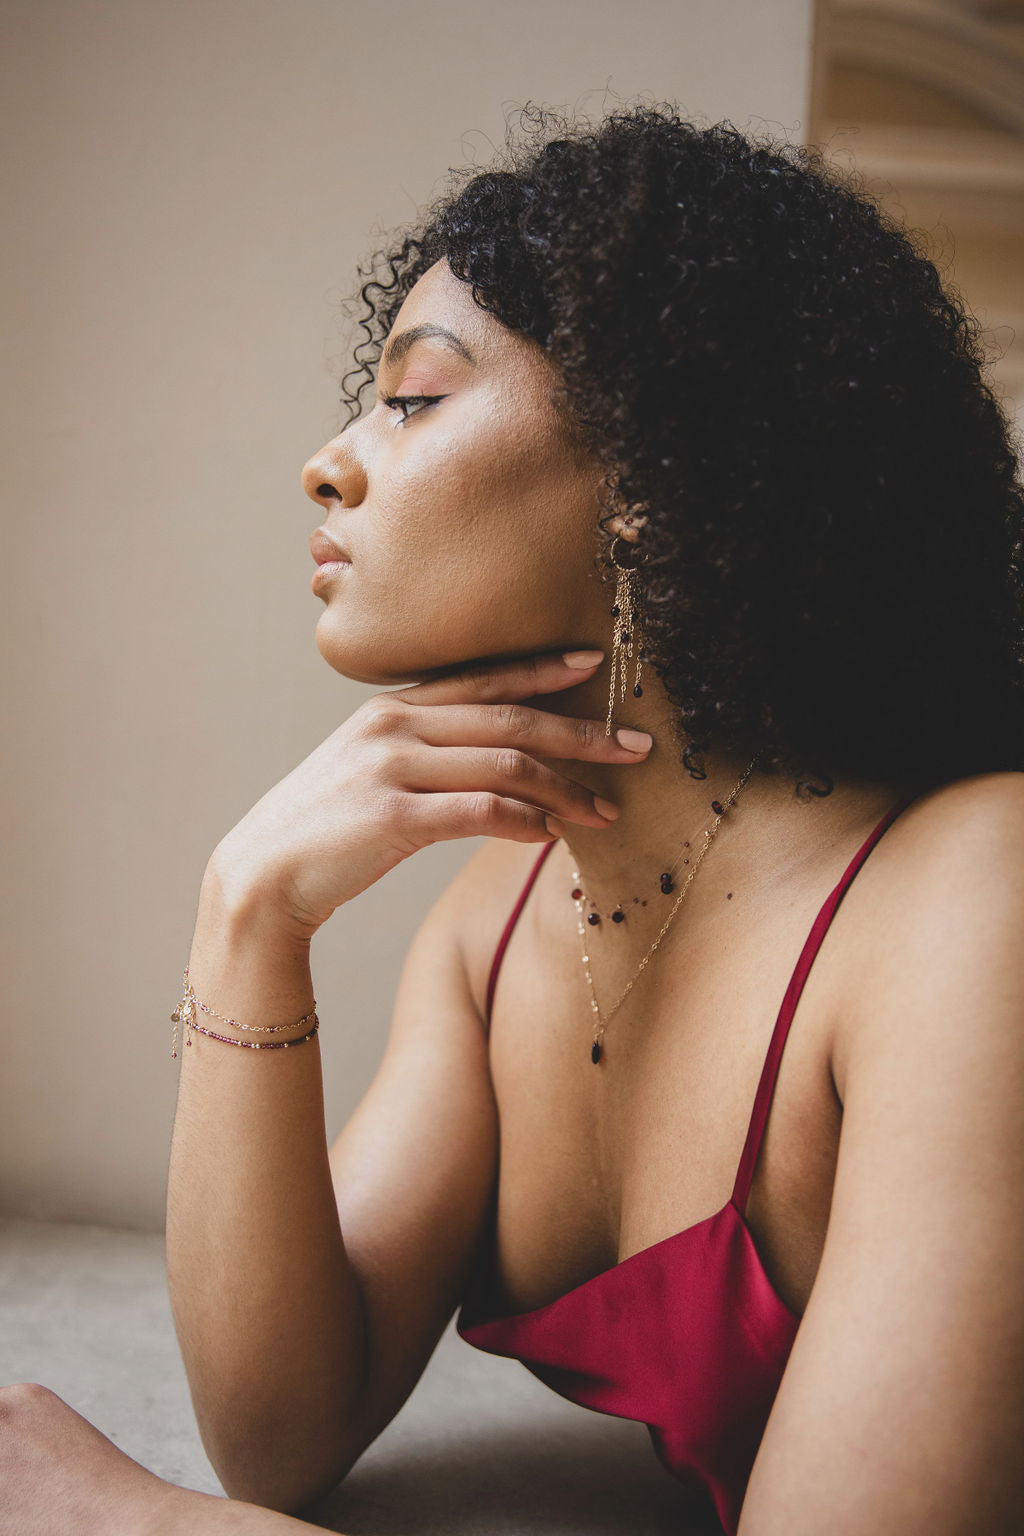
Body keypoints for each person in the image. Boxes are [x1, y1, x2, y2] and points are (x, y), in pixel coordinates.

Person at [4, 101, 1023, 1535]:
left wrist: (131, 1521)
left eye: (412, 401)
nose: (328, 462)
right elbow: (279, 1430)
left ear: (652, 484)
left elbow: (220, 1501)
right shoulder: (497, 928)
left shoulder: (976, 901)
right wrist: (248, 914)